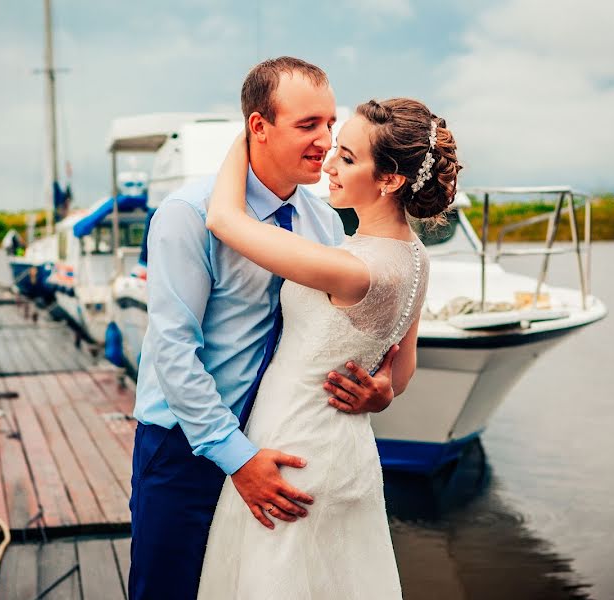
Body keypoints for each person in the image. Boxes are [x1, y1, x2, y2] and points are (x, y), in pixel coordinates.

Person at [129, 58, 406, 600]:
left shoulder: (323, 221)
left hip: (278, 445)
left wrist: (381, 387)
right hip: (185, 449)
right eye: (308, 125)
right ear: (258, 127)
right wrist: (235, 456)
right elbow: (172, 350)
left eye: (330, 123)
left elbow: (337, 328)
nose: (326, 141)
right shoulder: (187, 214)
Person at [197, 97, 460, 598]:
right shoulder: (417, 259)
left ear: (390, 181)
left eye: (348, 157)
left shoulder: (351, 268)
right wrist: (379, 394)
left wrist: (251, 133)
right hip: (348, 453)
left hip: (294, 448)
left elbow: (223, 220)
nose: (330, 165)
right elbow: (399, 374)